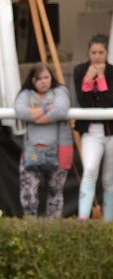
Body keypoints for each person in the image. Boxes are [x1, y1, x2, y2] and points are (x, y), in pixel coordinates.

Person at [73, 35, 113, 220]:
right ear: (88, 53)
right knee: (89, 171)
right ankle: (83, 218)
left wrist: (101, 78)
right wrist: (88, 79)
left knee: (109, 179)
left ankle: (109, 223)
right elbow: (84, 102)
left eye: (100, 52)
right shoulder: (80, 70)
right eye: (93, 52)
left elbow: (108, 101)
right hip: (91, 131)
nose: (97, 56)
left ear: (107, 53)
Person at [14, 63, 73, 217]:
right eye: (39, 78)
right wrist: (46, 108)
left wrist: (36, 118)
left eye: (46, 77)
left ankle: (52, 227)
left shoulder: (60, 91)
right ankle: (30, 225)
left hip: (59, 149)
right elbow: (21, 111)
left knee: (55, 191)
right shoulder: (26, 94)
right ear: (32, 80)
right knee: (28, 192)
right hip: (32, 150)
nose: (43, 81)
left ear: (51, 77)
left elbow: (60, 111)